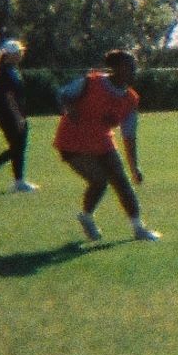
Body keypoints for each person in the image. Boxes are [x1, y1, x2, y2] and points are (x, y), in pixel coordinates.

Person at [53, 48, 157, 243]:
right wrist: (69, 108)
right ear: (116, 68)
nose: (134, 70)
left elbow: (129, 135)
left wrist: (135, 168)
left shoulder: (130, 99)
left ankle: (138, 229)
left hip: (101, 141)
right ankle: (86, 217)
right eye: (129, 66)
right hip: (72, 141)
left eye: (134, 67)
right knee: (99, 180)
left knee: (122, 181)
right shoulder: (90, 82)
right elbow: (63, 94)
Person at [0, 38, 38, 194]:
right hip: (8, 115)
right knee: (17, 147)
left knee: (18, 147)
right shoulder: (5, 72)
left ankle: (17, 181)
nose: (20, 55)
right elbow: (9, 97)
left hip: (13, 113)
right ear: (9, 55)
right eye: (17, 52)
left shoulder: (11, 70)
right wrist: (18, 116)